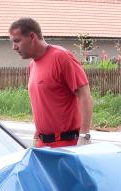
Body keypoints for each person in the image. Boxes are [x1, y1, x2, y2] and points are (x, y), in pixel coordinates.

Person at [8, 18, 93, 147]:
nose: (14, 47)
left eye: (17, 41)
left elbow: (84, 94)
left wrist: (84, 136)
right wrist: (37, 135)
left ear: (32, 36)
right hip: (43, 144)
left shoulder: (61, 57)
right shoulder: (32, 65)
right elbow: (43, 103)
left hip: (66, 143)